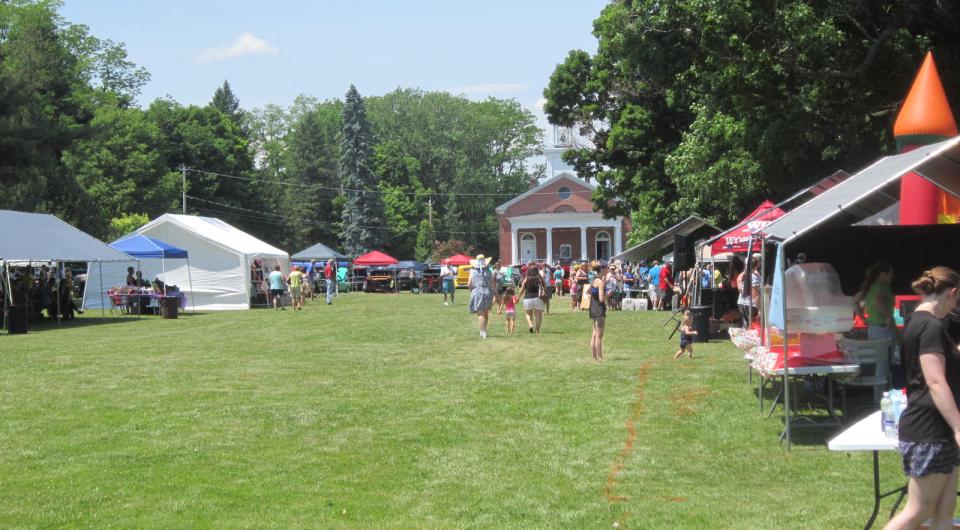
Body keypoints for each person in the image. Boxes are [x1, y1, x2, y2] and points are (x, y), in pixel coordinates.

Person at [884, 267, 960, 530]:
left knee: (945, 509)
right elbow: (935, 381)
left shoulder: (919, 323)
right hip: (929, 430)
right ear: (953, 293)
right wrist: (959, 427)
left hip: (938, 430)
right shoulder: (931, 326)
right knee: (919, 509)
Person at [856, 260, 896, 341]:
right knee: (887, 353)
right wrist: (889, 317)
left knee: (878, 354)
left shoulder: (869, 287)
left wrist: (863, 318)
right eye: (891, 273)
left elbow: (855, 302)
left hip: (873, 329)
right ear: (883, 274)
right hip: (884, 330)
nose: (893, 275)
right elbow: (877, 302)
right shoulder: (883, 285)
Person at [467, 254, 495, 339]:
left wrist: (472, 291)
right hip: (488, 292)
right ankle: (484, 330)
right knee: (485, 313)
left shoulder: (473, 272)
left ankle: (483, 332)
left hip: (477, 292)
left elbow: (469, 284)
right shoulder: (489, 272)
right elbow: (492, 284)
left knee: (480, 313)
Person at [589, 261, 607, 360]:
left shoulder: (594, 280)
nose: (607, 270)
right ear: (603, 269)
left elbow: (587, 292)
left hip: (593, 308)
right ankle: (600, 356)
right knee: (599, 335)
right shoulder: (600, 282)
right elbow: (601, 298)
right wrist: (607, 296)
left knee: (594, 334)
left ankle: (594, 356)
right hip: (599, 309)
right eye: (606, 268)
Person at [519, 263, 545, 333]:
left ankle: (530, 325)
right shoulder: (540, 278)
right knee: (538, 315)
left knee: (528, 314)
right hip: (538, 298)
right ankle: (537, 330)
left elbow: (522, 290)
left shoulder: (526, 279)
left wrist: (518, 297)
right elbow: (544, 288)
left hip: (527, 298)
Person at [737, 256, 760, 326]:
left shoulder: (742, 275)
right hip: (751, 305)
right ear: (757, 265)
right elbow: (755, 294)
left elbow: (740, 289)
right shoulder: (754, 276)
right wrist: (760, 309)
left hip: (741, 303)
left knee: (747, 326)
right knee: (754, 327)